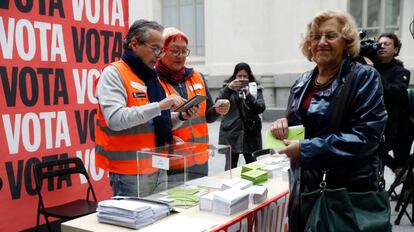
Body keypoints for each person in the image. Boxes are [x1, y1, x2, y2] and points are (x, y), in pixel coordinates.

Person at [270, 10, 387, 232]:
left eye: (330, 35)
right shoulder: (302, 81)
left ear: (346, 42)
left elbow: (366, 137)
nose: (321, 42)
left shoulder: (364, 77)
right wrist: (282, 125)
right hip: (304, 189)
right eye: (315, 36)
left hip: (345, 195)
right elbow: (300, 126)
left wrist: (305, 149)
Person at [94, 20, 185, 197]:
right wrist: (160, 106)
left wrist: (181, 116)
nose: (159, 55)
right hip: (129, 172)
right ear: (134, 44)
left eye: (161, 49)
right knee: (134, 223)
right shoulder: (114, 73)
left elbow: (156, 122)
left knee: (159, 221)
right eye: (155, 48)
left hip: (158, 165)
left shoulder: (151, 77)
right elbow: (115, 119)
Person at [155, 27, 230, 181]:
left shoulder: (197, 76)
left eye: (184, 51)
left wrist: (217, 109)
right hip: (173, 161)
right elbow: (152, 122)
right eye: (175, 51)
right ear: (162, 51)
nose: (180, 56)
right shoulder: (153, 80)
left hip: (200, 158)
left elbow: (207, 116)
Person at [373, 33, 412, 175]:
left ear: (395, 50)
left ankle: (406, 189)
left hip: (398, 128)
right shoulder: (365, 67)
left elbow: (394, 92)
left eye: (387, 44)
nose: (382, 46)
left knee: (401, 164)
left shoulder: (402, 72)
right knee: (377, 158)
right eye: (380, 44)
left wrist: (372, 70)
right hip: (374, 123)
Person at [218, 62, 266, 169]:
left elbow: (260, 108)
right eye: (239, 76)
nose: (242, 79)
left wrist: (249, 96)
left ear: (249, 77)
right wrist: (229, 89)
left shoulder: (255, 88)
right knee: (230, 168)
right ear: (234, 76)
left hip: (251, 132)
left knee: (252, 167)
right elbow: (219, 104)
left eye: (245, 76)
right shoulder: (227, 87)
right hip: (231, 132)